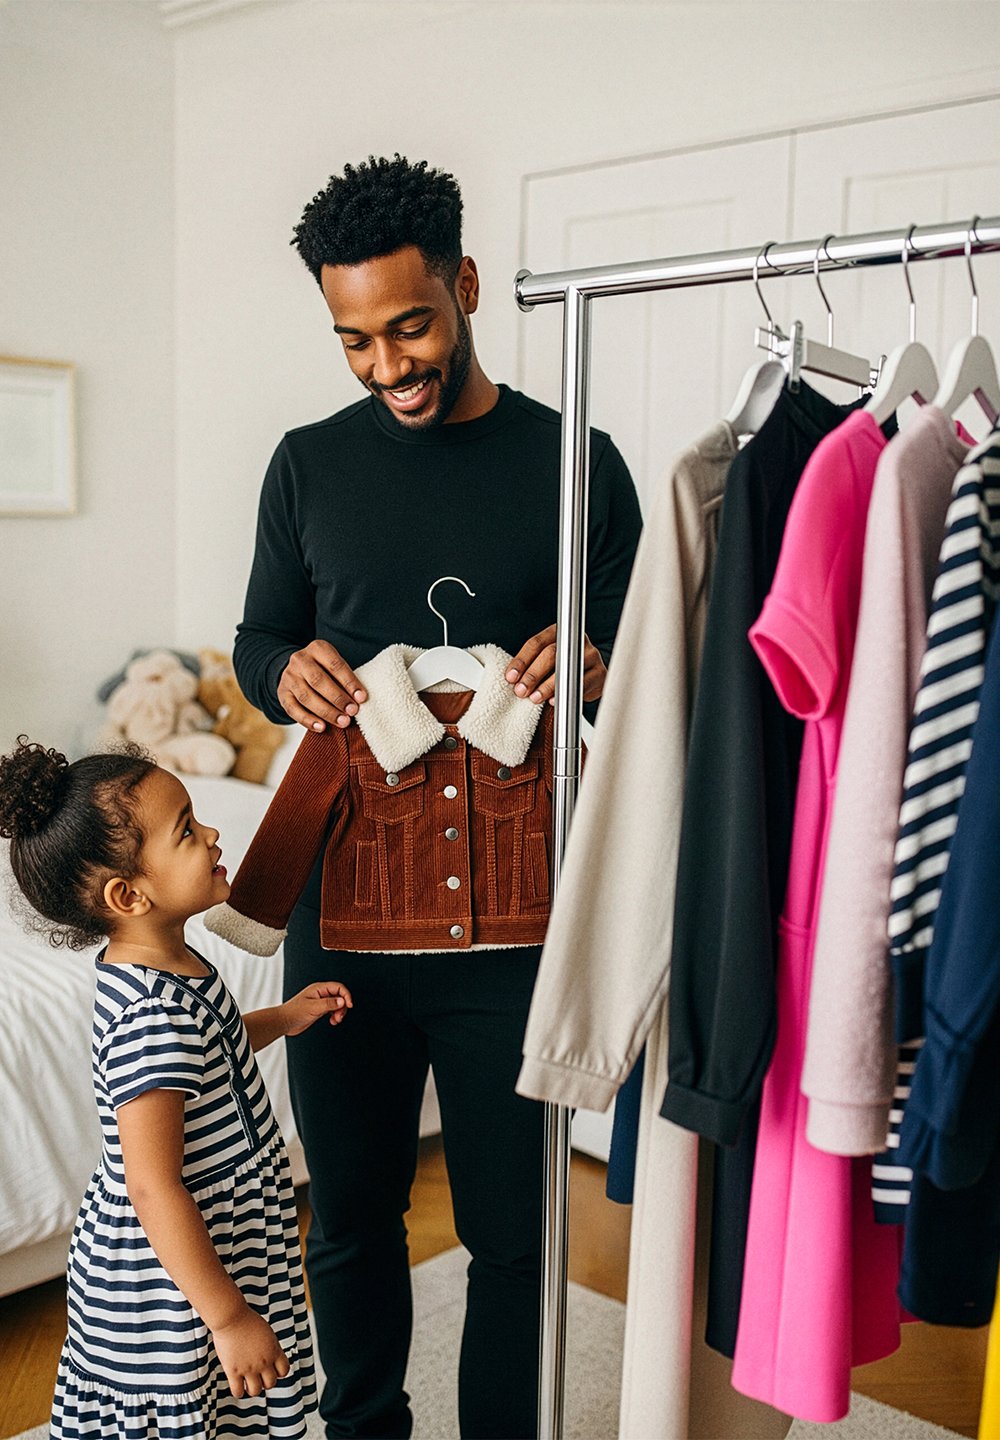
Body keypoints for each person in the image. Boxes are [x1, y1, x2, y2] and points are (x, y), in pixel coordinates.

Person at [233, 154, 642, 1439]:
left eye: (409, 326)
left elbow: (651, 671)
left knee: (514, 1237)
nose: (385, 365)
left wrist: (594, 663)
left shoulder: (576, 460)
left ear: (464, 286)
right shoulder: (305, 465)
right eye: (353, 339)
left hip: (516, 927)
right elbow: (256, 641)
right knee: (348, 1219)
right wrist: (279, 673)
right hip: (346, 915)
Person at [0, 736, 353, 1439]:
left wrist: (282, 1017)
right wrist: (226, 1315)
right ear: (129, 895)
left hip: (212, 1241)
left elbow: (210, 1052)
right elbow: (153, 1186)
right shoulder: (150, 1015)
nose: (214, 833)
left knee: (224, 1409)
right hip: (170, 1276)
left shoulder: (172, 965)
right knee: (180, 1409)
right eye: (187, 831)